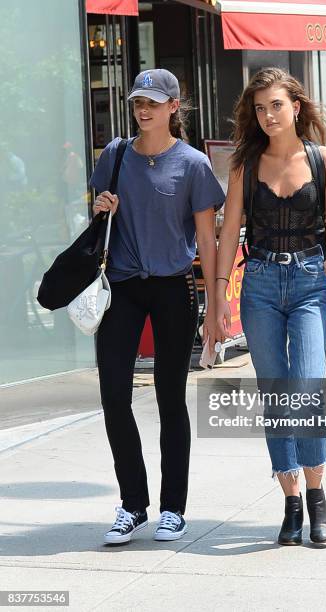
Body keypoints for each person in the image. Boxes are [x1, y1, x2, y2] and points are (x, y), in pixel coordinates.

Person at [90, 69, 225, 544]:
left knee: (171, 399)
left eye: (152, 102)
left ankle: (173, 508)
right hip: (122, 288)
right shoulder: (115, 154)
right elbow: (97, 220)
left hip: (173, 288)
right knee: (113, 396)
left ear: (173, 106)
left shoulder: (192, 165)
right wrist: (102, 205)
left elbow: (207, 241)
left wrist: (216, 304)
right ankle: (132, 504)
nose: (143, 110)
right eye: (137, 102)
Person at [216, 68, 326, 546]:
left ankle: (317, 494)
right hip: (260, 283)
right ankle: (291, 499)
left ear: (296, 106)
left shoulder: (325, 159)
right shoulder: (244, 163)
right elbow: (229, 231)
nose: (268, 115)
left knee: (307, 385)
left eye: (276, 105)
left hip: (313, 281)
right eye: (259, 108)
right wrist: (217, 296)